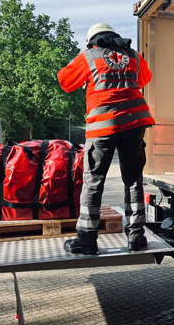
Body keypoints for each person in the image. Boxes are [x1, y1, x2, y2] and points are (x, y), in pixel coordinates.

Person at [57, 23, 155, 254]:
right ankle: (136, 237)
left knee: (93, 181)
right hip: (134, 122)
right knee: (133, 179)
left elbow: (65, 81)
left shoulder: (89, 56)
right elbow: (144, 80)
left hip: (103, 125)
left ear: (92, 40)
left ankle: (87, 239)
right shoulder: (133, 56)